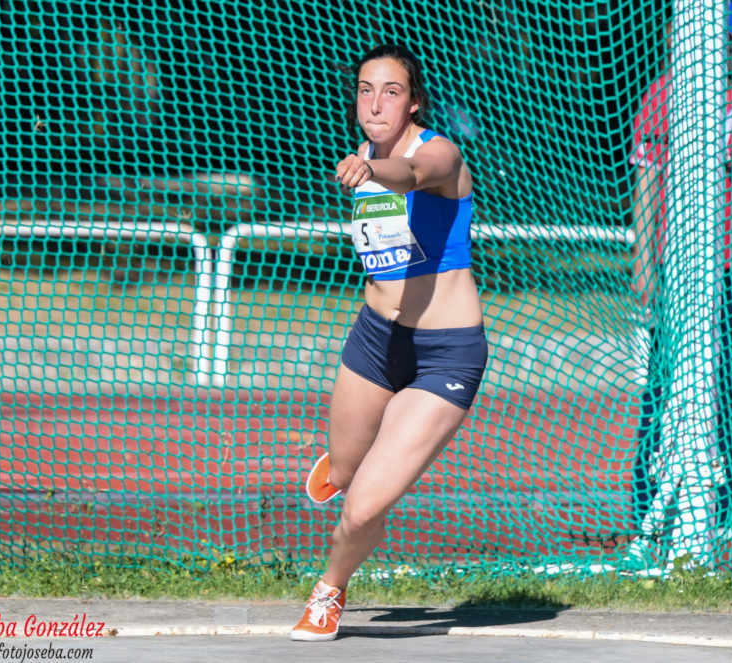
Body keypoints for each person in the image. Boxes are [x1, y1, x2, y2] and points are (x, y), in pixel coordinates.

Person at [290, 44, 488, 641]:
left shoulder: (438, 154)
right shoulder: (360, 154)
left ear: (414, 102)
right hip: (376, 341)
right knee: (344, 476)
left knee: (363, 508)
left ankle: (329, 591)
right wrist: (367, 164)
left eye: (391, 91)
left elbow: (414, 175)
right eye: (365, 89)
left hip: (445, 353)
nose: (376, 102)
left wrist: (375, 170)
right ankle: (351, 461)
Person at [626, 2, 732, 563]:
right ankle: (649, 505)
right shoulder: (667, 96)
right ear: (711, 43)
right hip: (688, 270)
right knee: (668, 385)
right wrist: (648, 264)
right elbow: (648, 189)